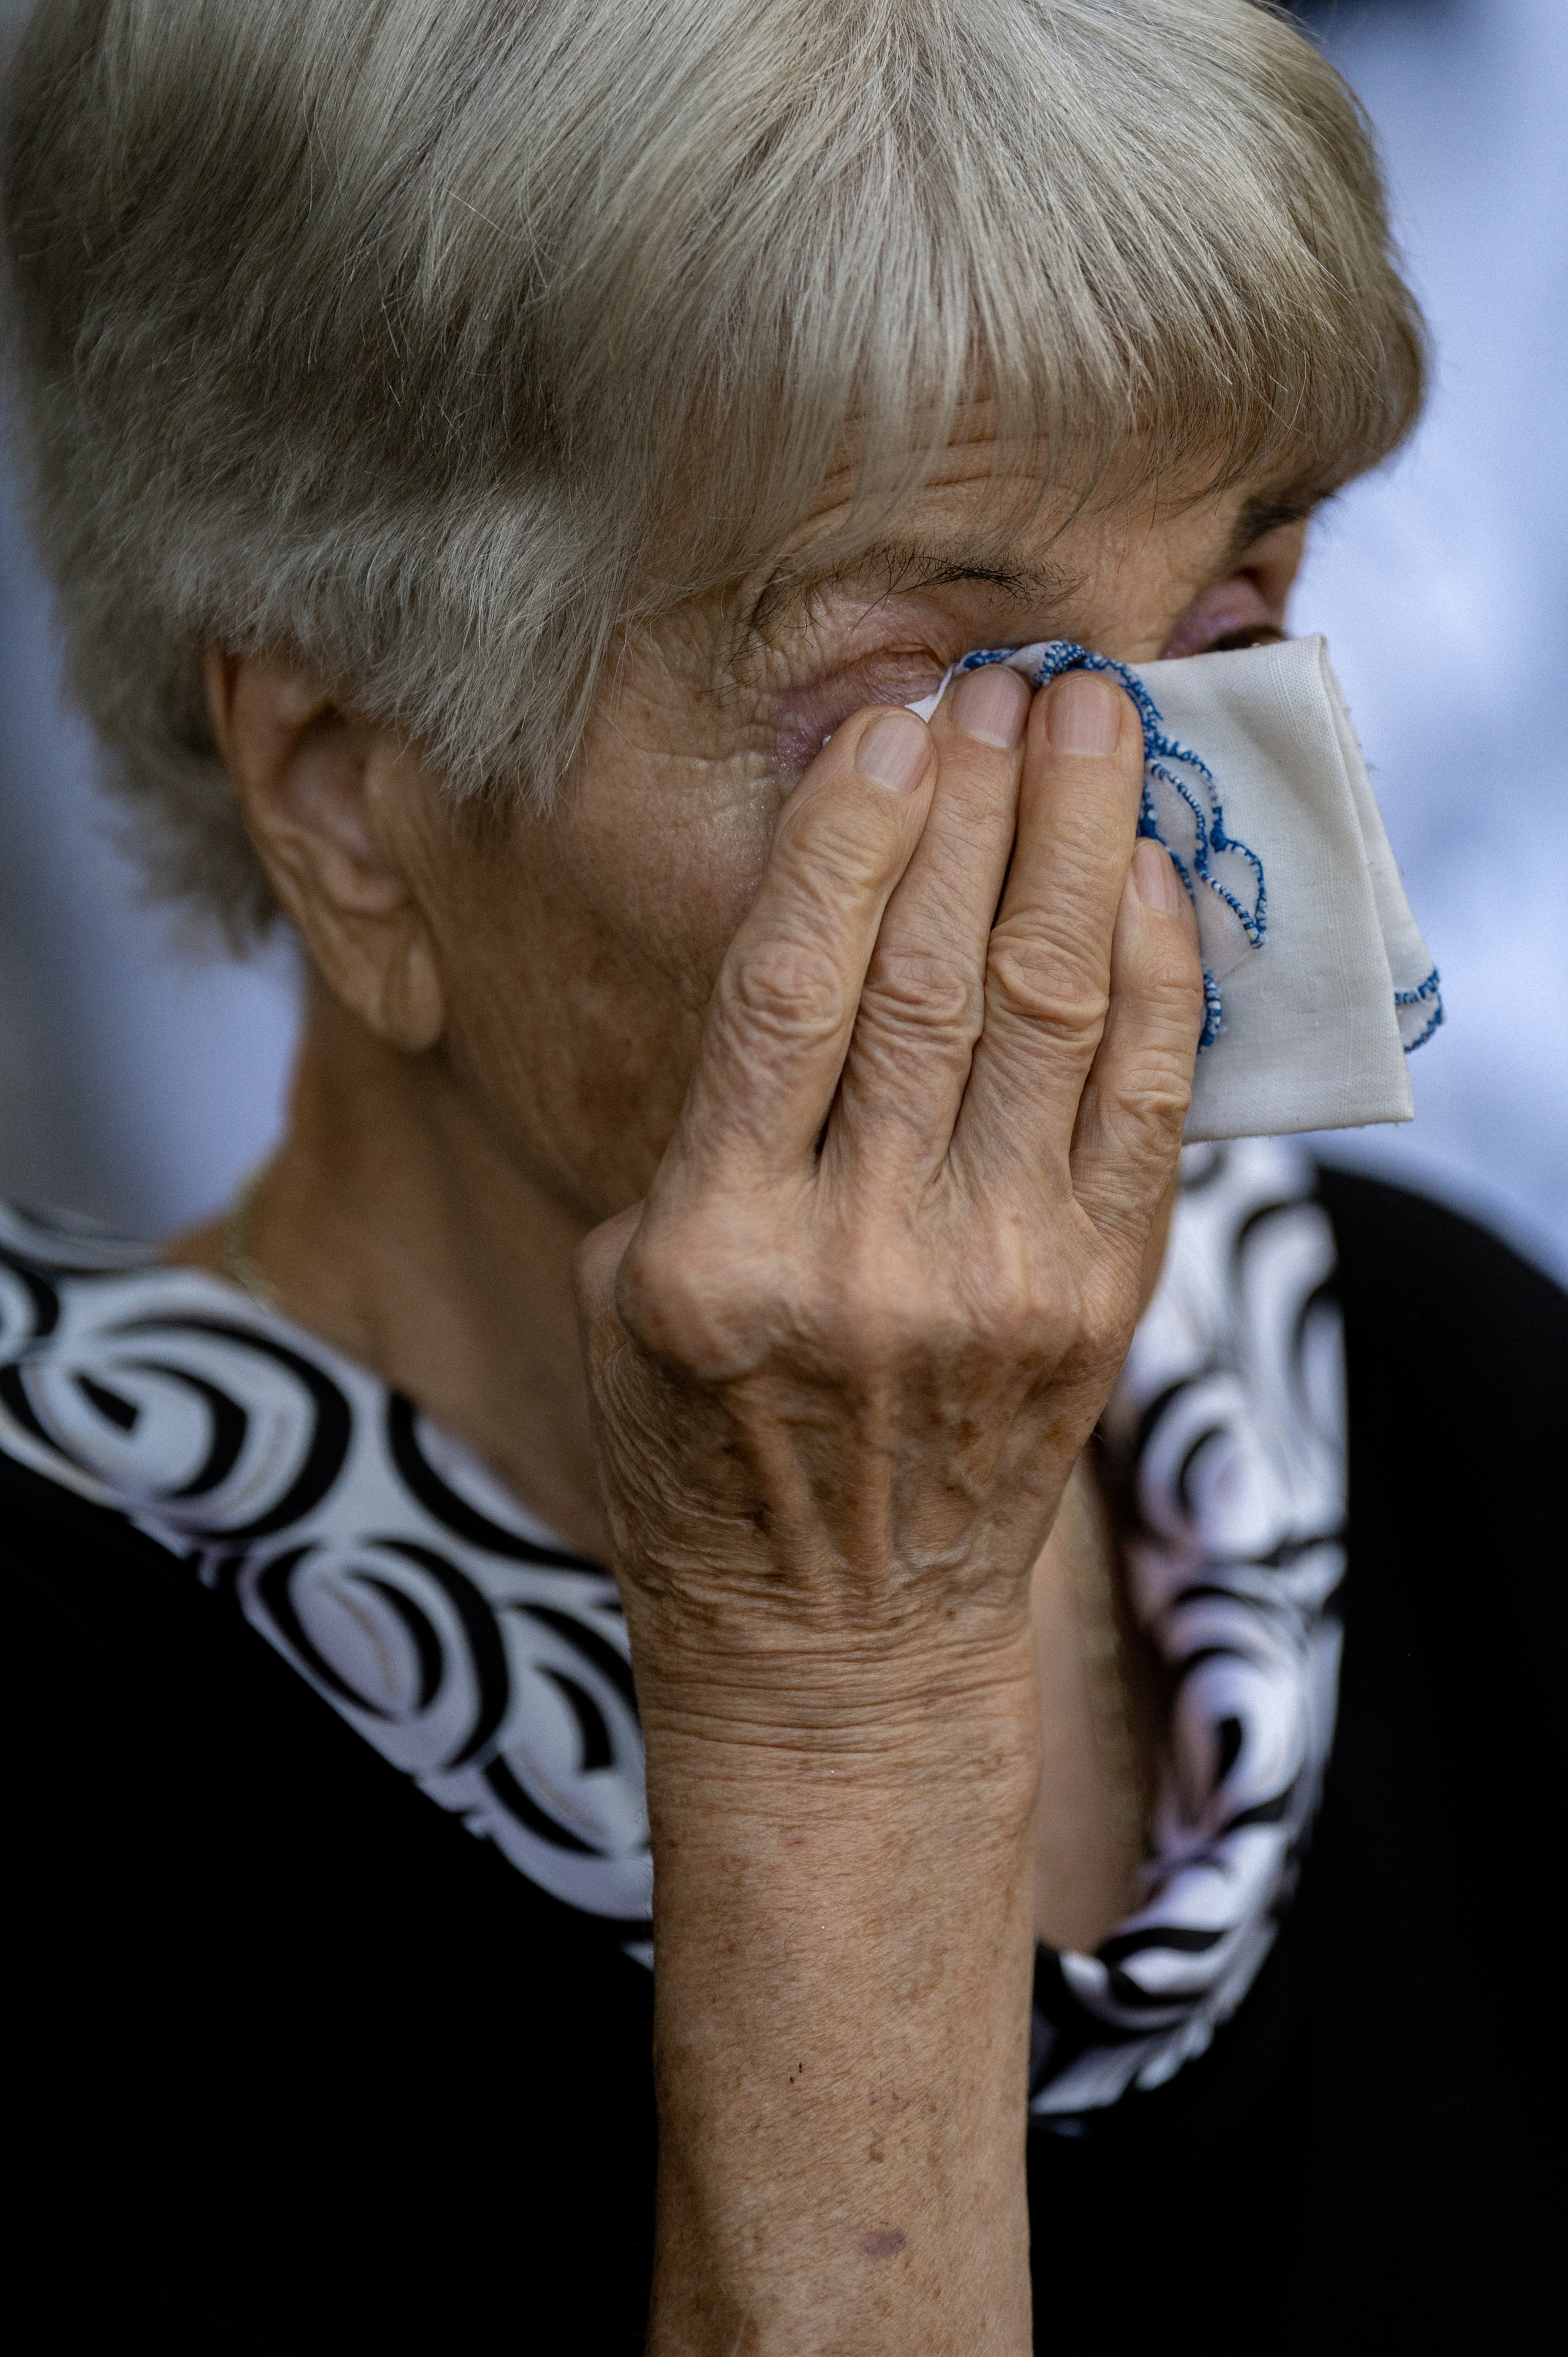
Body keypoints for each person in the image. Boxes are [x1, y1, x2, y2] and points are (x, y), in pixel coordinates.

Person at [1, 3, 1562, 2350]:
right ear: (345, 799)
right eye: (929, 717)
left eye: (1231, 629)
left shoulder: (1442, 1392)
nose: (1163, 879)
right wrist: (855, 1694)